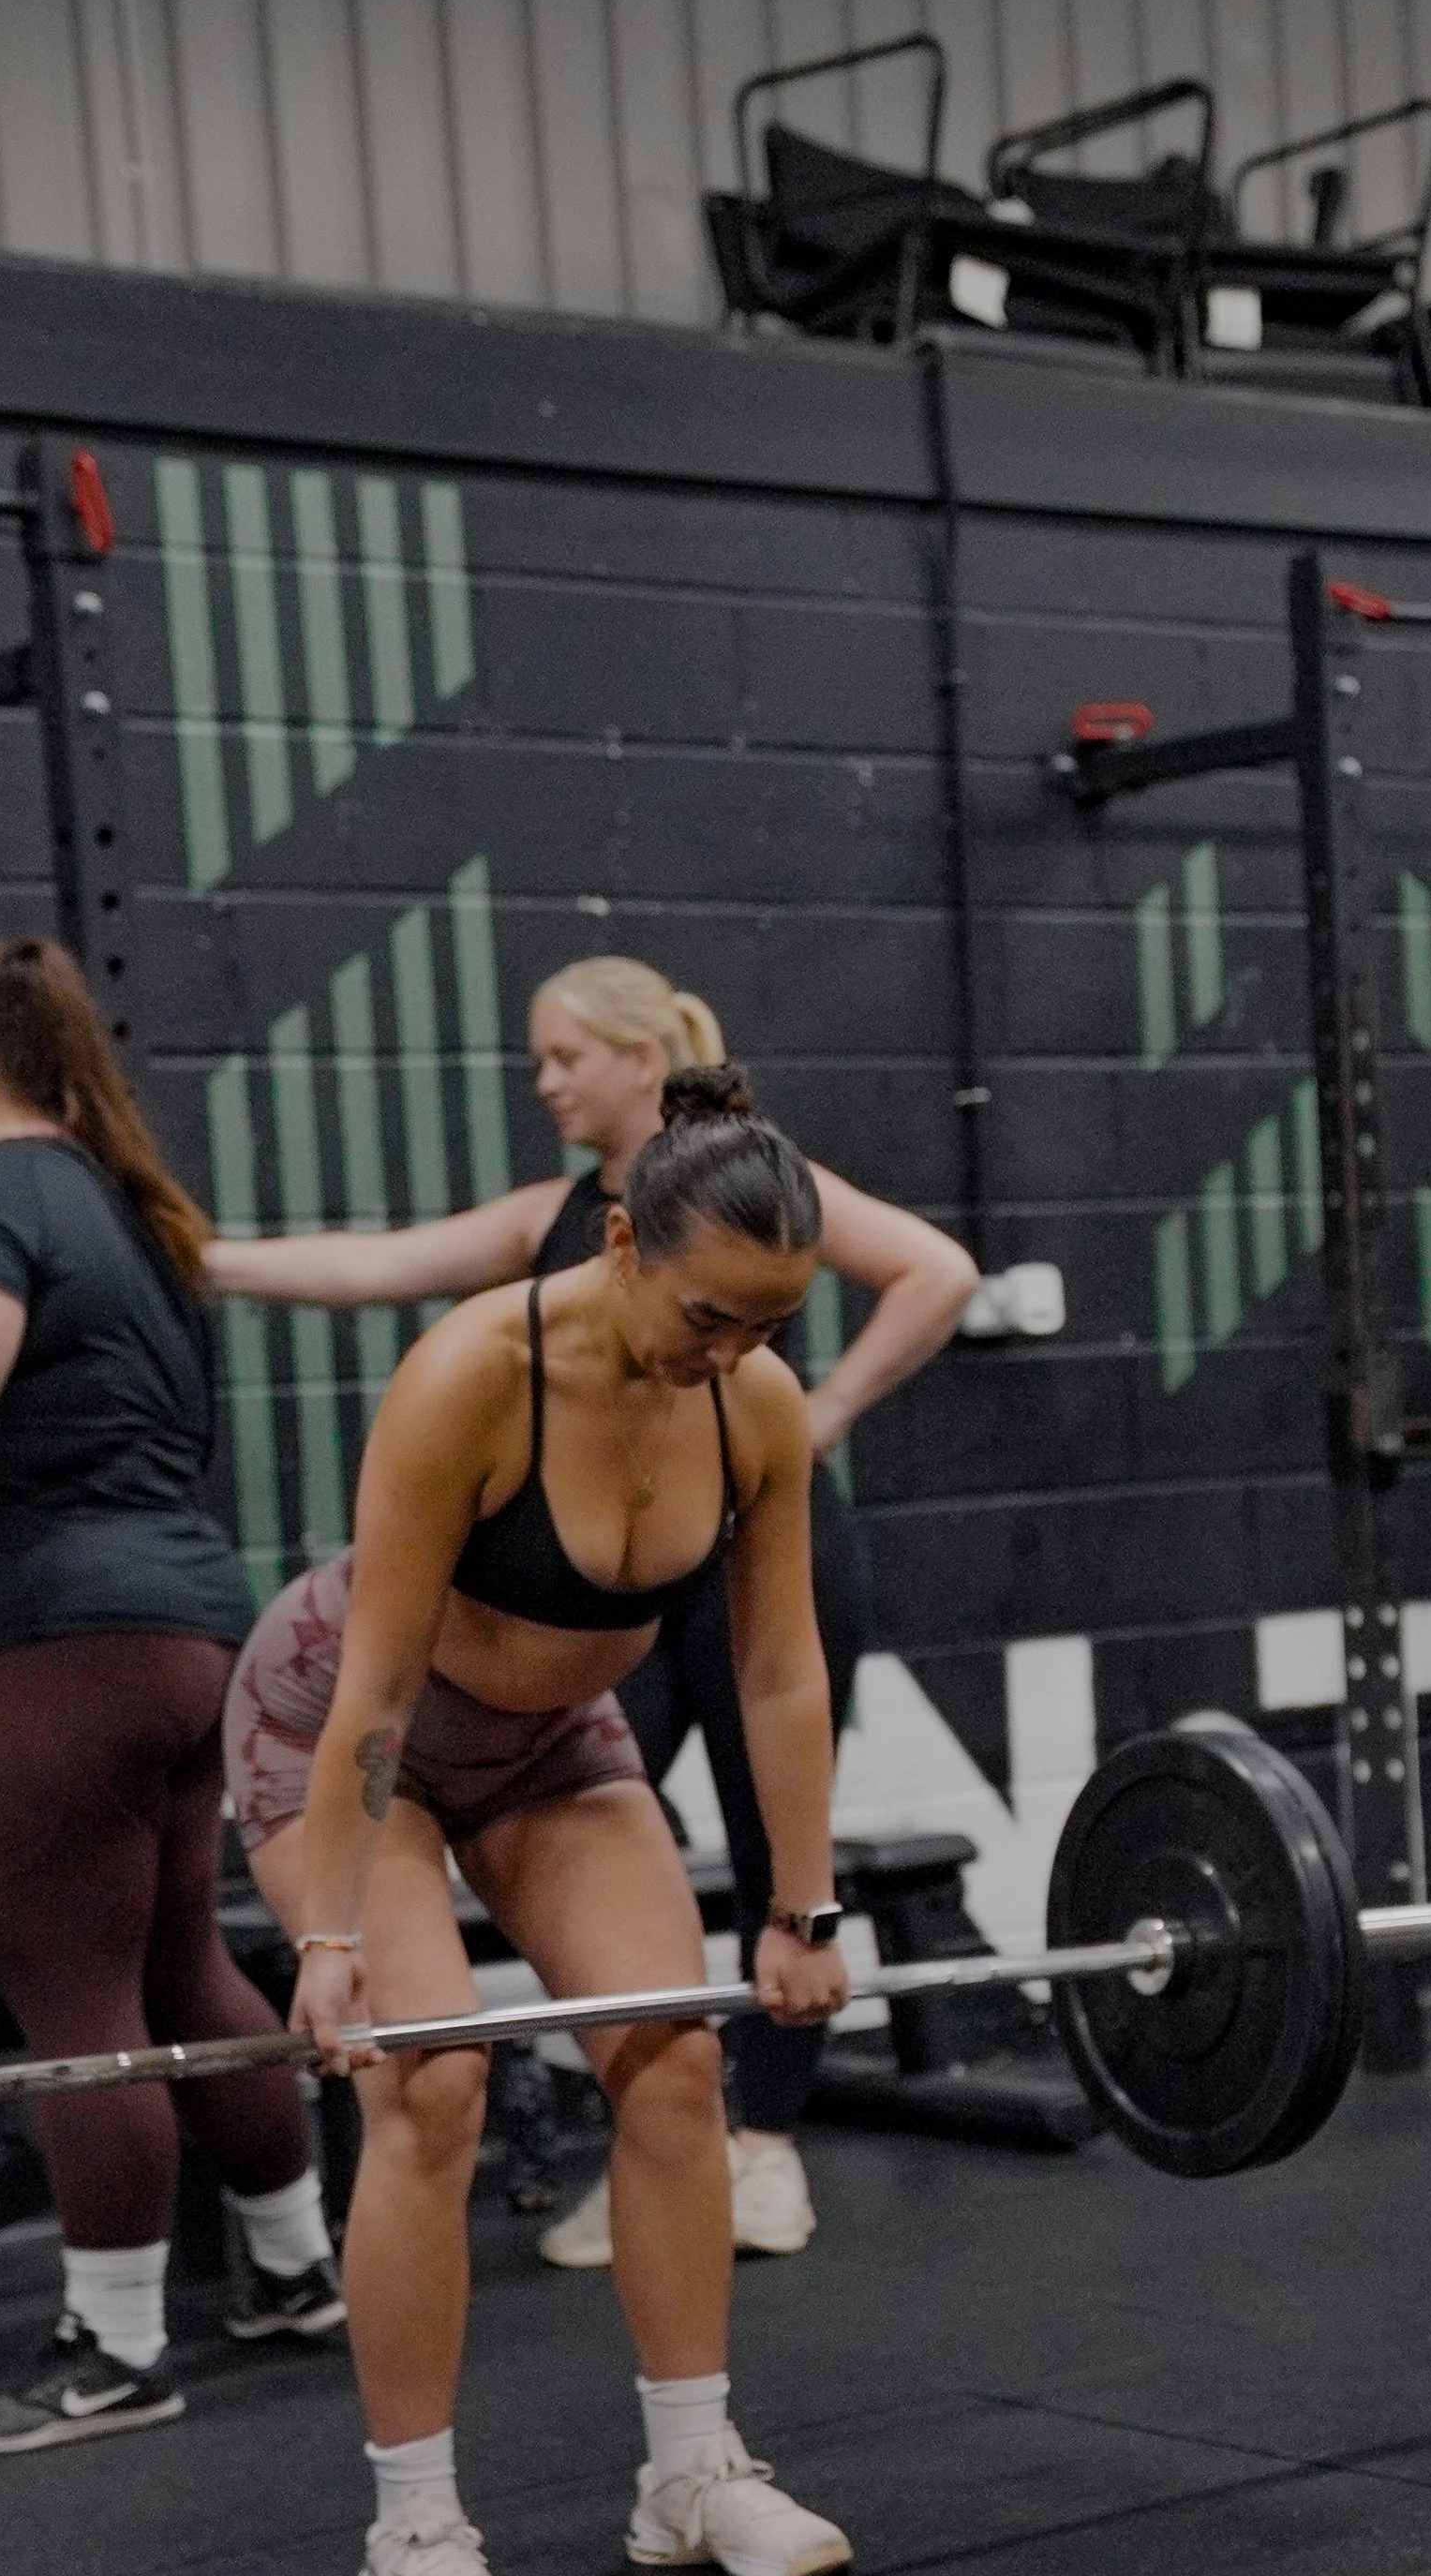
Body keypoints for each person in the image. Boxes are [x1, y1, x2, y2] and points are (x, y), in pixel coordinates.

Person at [209, 957, 977, 2266]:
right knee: (605, 1822)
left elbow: (939, 1269)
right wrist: (191, 1252)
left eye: (568, 1054)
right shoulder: (552, 1222)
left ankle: (758, 2145)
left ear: (641, 1054)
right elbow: (368, 1264)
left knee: (770, 1830)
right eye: (541, 1058)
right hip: (570, 1591)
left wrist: (825, 1408)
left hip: (731, 1549)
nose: (548, 1079)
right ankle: (669, 2130)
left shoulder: (757, 1195)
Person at [226, 1066, 855, 2576]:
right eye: (711, 1313)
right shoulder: (469, 1377)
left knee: (668, 2062)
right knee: (428, 2086)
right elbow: (369, 1692)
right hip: (346, 1731)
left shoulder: (756, 1403)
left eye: (770, 1324)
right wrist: (333, 1935)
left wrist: (801, 1901)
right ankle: (412, 2527)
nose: (736, 1351)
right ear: (624, 1235)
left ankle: (691, 2470)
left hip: (552, 1742)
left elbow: (779, 1667)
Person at [0, 941, 339, 2460]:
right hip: (195, 1634)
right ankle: (295, 2265)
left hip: (64, 1647)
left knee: (75, 2000)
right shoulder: (131, 1210)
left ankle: (118, 2341)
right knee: (186, 1964)